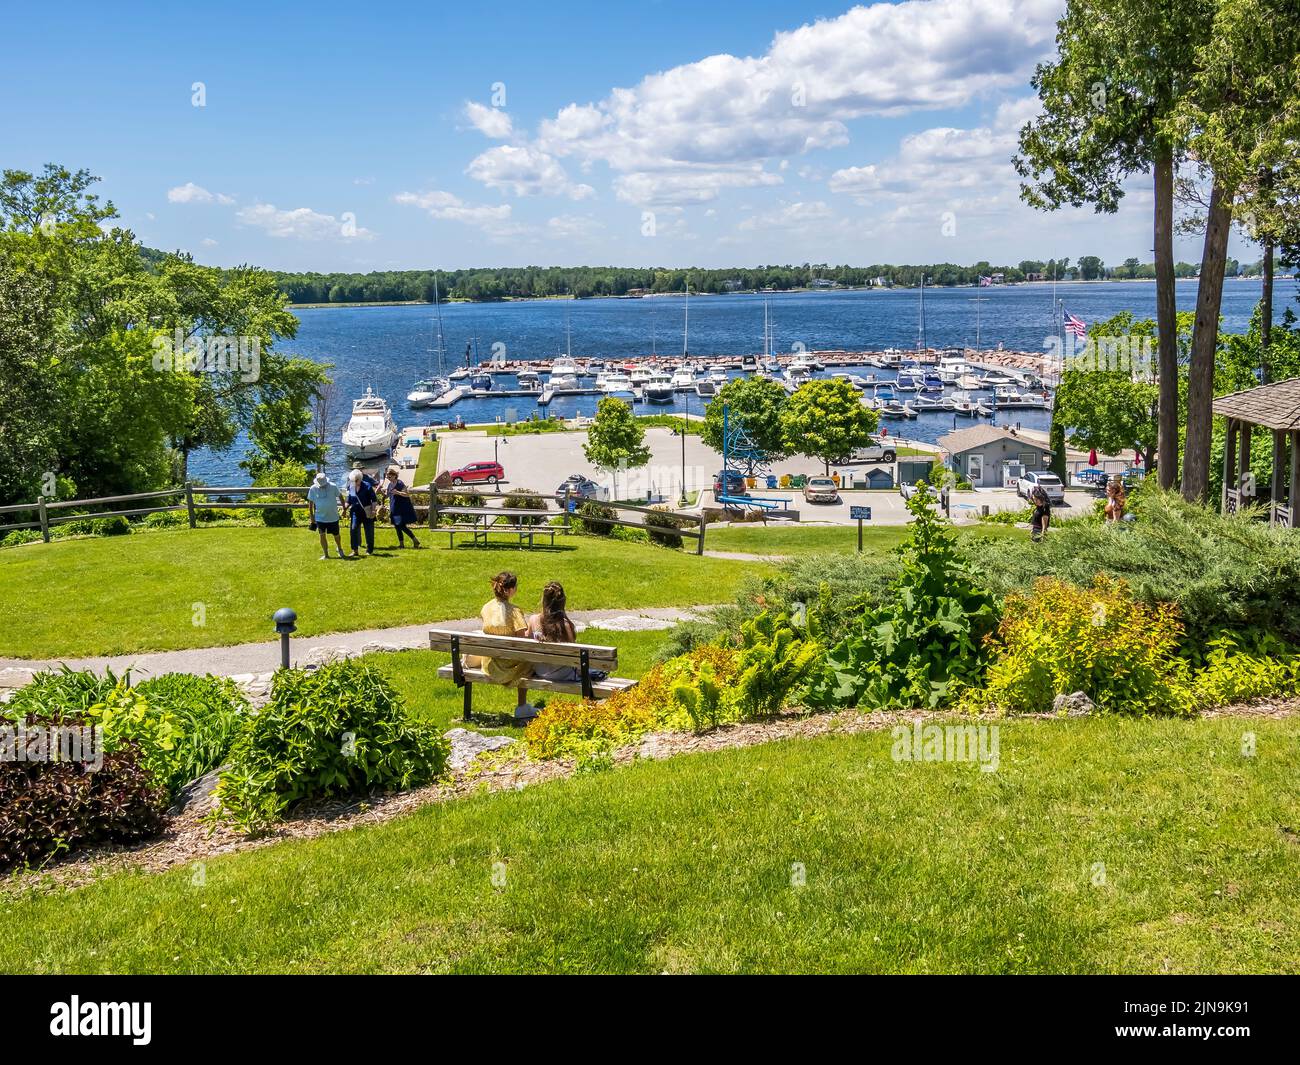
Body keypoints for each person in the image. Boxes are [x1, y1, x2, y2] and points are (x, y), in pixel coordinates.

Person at [476, 571, 536, 719]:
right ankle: (522, 706)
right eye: (515, 587)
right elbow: (522, 642)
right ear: (509, 590)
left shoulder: (486, 607)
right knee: (530, 661)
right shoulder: (514, 612)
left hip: (490, 663)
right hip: (510, 666)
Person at [526, 581, 580, 683]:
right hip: (563, 674)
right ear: (563, 601)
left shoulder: (533, 620)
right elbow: (574, 654)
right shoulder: (566, 625)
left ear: (543, 600)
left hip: (541, 671)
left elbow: (526, 640)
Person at [306, 470, 346, 559]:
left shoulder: (333, 486)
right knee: (322, 535)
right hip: (320, 517)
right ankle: (326, 554)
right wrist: (312, 516)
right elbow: (310, 503)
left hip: (333, 516)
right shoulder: (313, 488)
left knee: (336, 535)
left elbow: (340, 496)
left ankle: (339, 549)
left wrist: (344, 509)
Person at [381, 464, 421, 549]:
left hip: (401, 508)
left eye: (390, 477)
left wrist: (398, 492)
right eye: (388, 477)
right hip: (394, 508)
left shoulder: (400, 483)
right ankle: (402, 544)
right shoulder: (390, 485)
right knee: (397, 526)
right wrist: (381, 492)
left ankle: (415, 540)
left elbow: (406, 494)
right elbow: (388, 495)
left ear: (394, 475)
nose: (389, 478)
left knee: (401, 526)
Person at [345, 469, 379, 557]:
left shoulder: (367, 486)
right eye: (353, 480)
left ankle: (369, 550)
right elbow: (349, 500)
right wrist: (345, 508)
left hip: (367, 511)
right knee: (353, 529)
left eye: (356, 480)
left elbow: (374, 500)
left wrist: (373, 510)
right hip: (355, 512)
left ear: (360, 479)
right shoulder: (351, 486)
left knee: (369, 531)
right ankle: (355, 550)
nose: (354, 482)